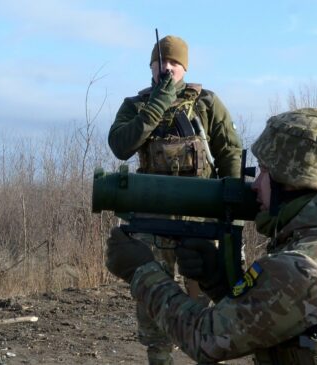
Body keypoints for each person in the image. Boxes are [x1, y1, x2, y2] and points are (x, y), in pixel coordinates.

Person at [106, 108, 317, 364]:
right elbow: (290, 319)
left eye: (265, 171)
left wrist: (142, 271)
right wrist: (220, 282)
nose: (256, 183)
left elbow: (206, 338)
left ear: (293, 183)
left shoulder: (309, 267)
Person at [107, 34, 242, 364]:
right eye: (160, 62)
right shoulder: (136, 106)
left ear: (184, 67)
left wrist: (232, 212)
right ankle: (161, 358)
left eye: (174, 63)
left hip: (202, 219)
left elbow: (230, 152)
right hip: (153, 219)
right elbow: (120, 145)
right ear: (151, 66)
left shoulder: (206, 103)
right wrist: (157, 103)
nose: (167, 68)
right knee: (152, 299)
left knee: (207, 297)